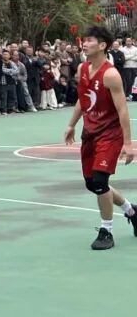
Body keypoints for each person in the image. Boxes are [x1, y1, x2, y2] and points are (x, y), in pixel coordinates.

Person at [63, 26, 137, 250]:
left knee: (99, 181)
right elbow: (83, 99)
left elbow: (123, 110)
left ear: (102, 45)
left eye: (90, 41)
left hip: (110, 134)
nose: (84, 44)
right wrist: (71, 124)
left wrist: (128, 143)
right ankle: (132, 211)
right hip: (90, 133)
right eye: (84, 40)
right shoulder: (83, 68)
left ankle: (107, 231)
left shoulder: (110, 74)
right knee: (92, 183)